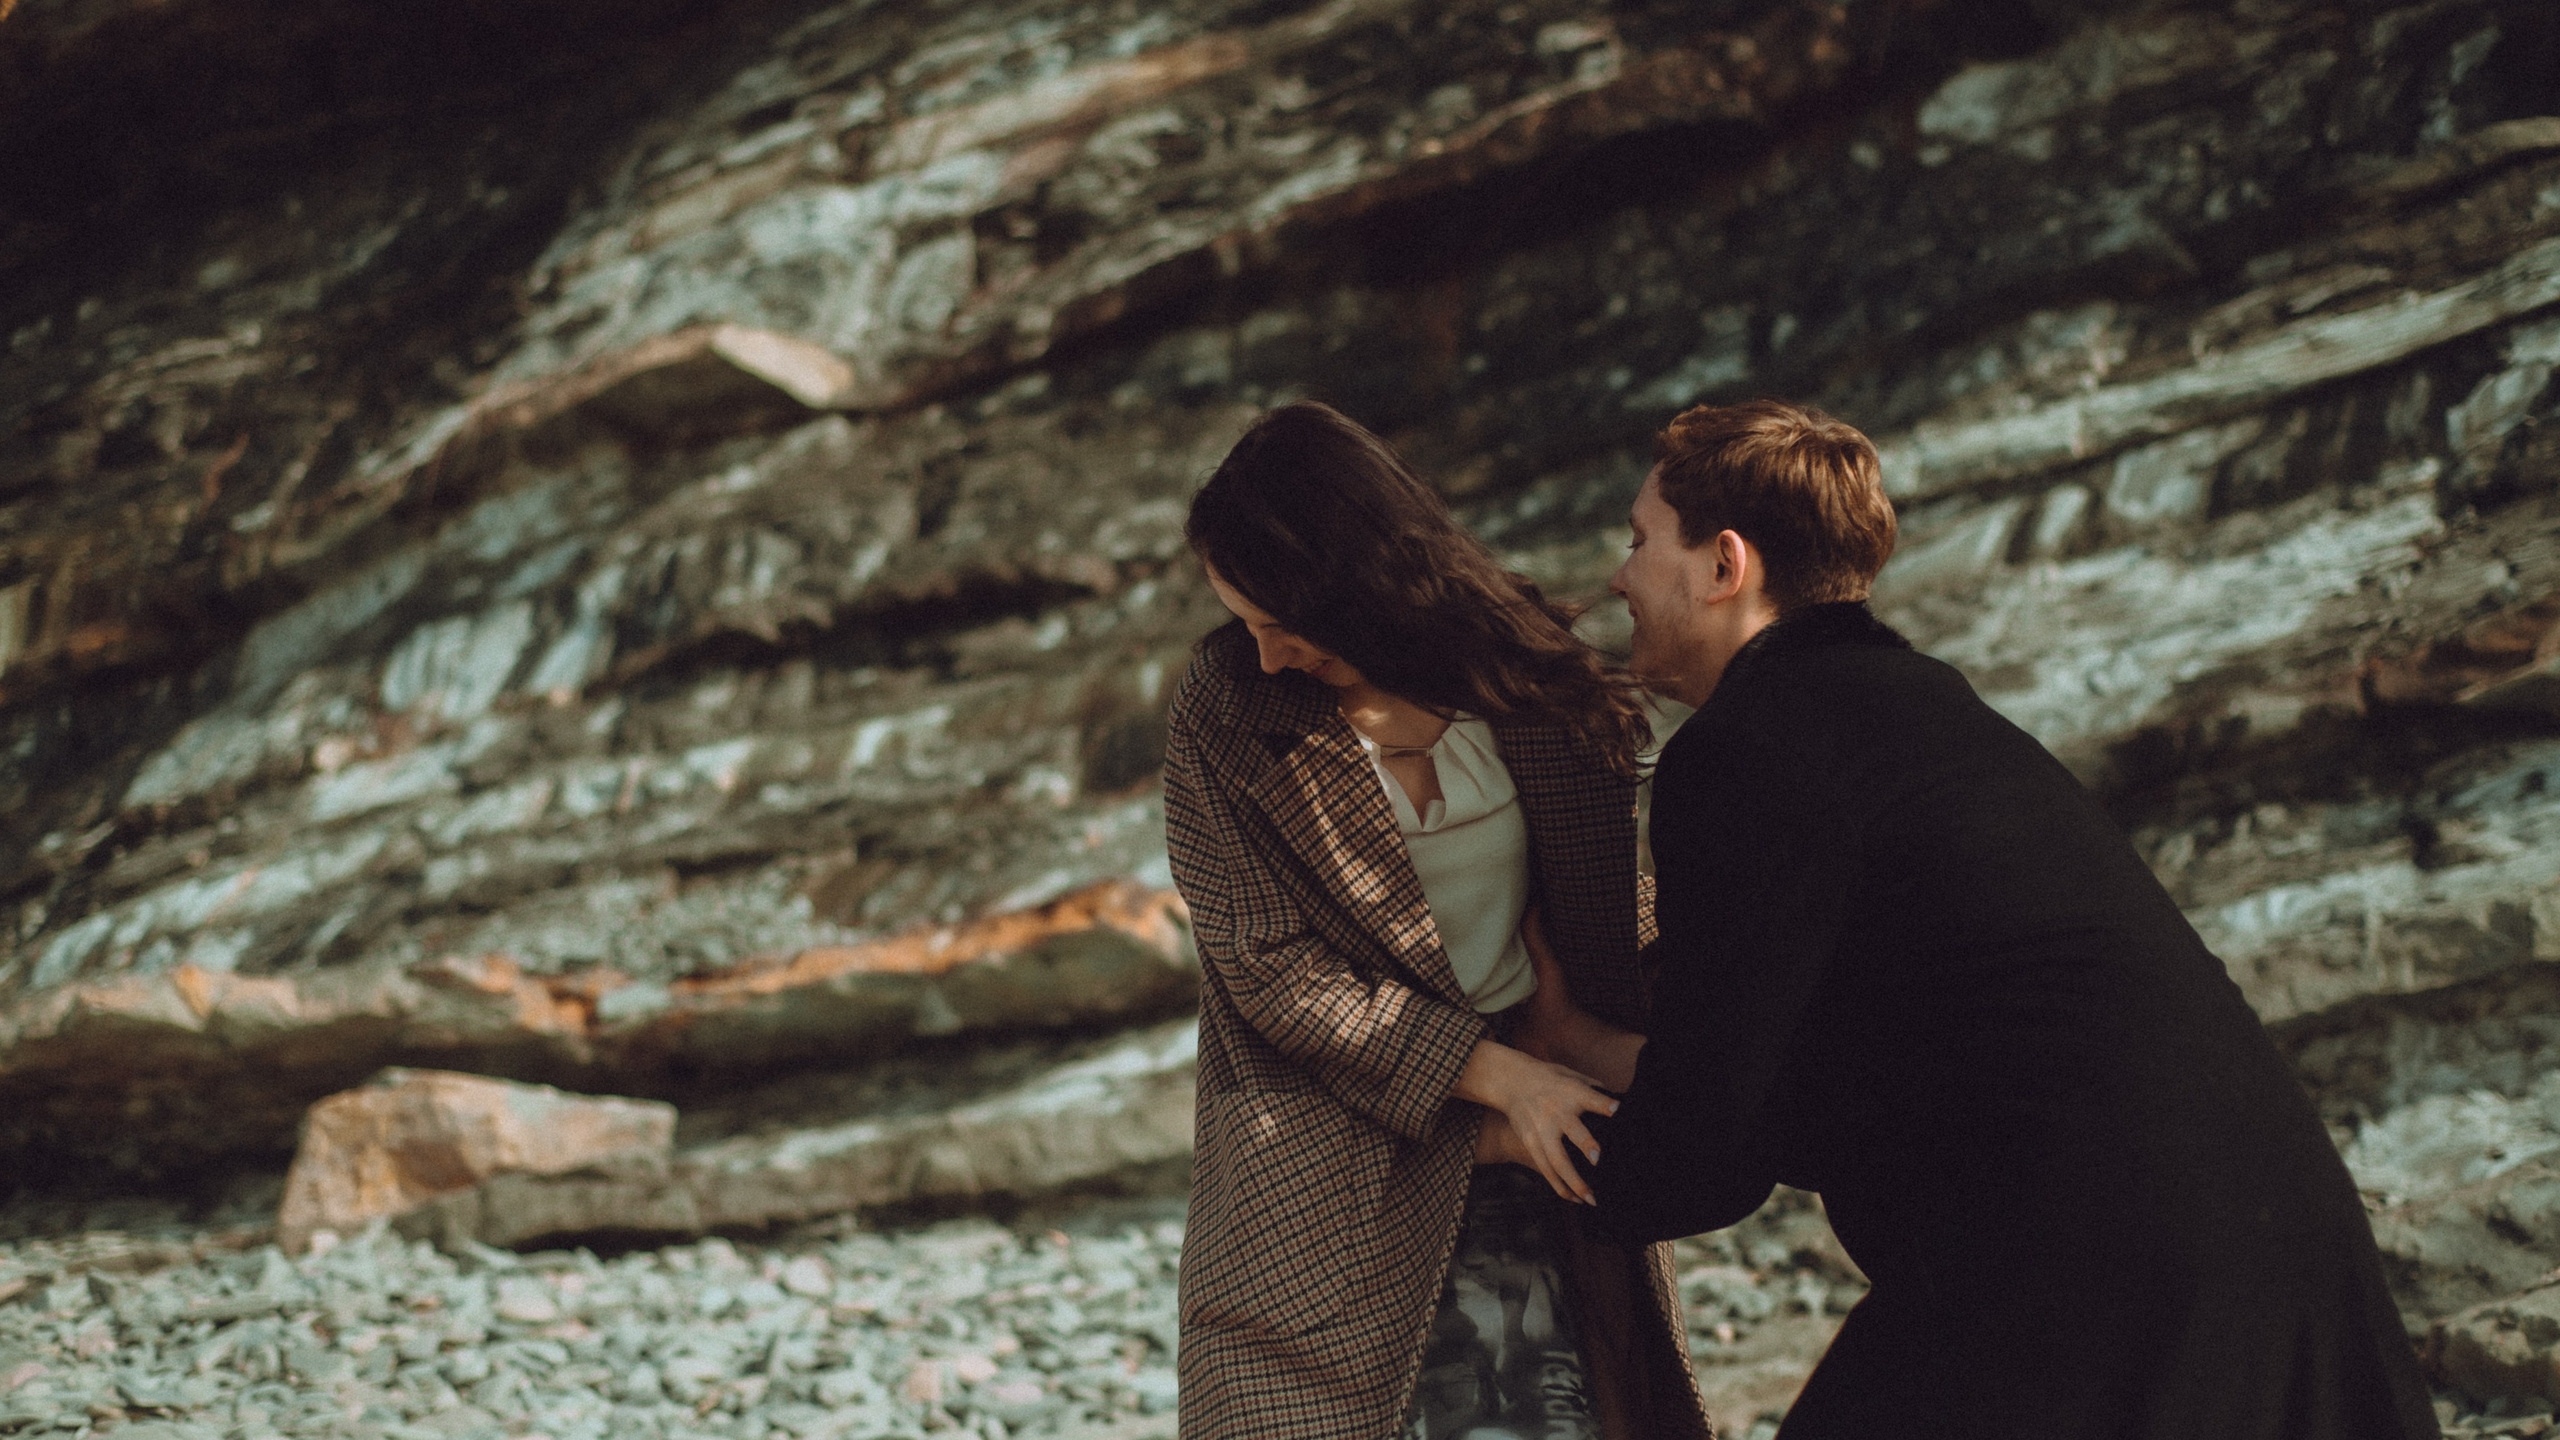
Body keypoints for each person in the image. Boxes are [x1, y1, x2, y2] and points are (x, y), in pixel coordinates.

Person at [1520, 398, 2442, 1438]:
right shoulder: (1915, 710)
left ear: (1724, 564)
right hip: (2279, 1241)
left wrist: (1506, 1115)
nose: (1617, 577)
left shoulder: (1751, 749)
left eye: (1640, 541)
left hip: (2094, 1268)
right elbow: (1804, 1097)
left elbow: (1702, 1156)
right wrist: (1586, 1043)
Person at [1161, 402, 1713, 1440]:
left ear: (1363, 587)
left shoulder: (1530, 678)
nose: (1268, 655)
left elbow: (1614, 905)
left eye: (1284, 623)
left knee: (1561, 1403)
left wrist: (1616, 1059)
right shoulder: (1229, 705)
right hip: (1327, 1131)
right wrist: (1501, 1078)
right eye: (1245, 624)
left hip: (1544, 1120)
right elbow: (1266, 966)